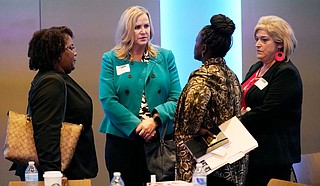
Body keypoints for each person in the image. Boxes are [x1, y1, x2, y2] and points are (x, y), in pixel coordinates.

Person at [98, 6, 181, 186]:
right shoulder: (111, 59)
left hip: (157, 138)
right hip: (123, 139)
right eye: (137, 27)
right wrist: (139, 127)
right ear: (127, 30)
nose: (143, 31)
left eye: (146, 26)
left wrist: (154, 122)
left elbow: (176, 98)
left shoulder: (165, 57)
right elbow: (108, 100)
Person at [10, 26, 98, 181]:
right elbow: (47, 131)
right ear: (57, 54)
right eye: (70, 48)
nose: (75, 52)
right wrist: (54, 175)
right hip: (61, 175)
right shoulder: (51, 82)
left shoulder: (53, 78)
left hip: (68, 171)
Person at [174, 14, 248, 186]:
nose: (195, 45)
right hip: (233, 165)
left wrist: (197, 130)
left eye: (196, 41)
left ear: (204, 48)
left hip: (207, 168)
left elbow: (188, 126)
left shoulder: (202, 80)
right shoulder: (232, 77)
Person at [240, 15, 302, 186]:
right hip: (252, 151)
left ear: (280, 43)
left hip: (272, 155)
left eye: (264, 40)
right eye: (257, 39)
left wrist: (234, 122)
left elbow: (267, 112)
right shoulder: (256, 68)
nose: (257, 44)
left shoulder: (286, 73)